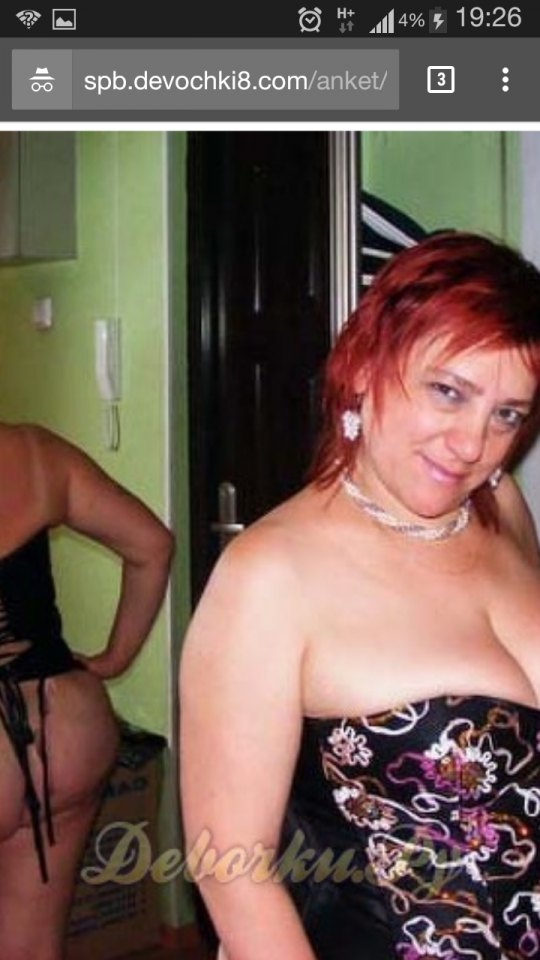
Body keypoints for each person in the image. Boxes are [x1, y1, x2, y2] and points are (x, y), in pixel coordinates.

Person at [179, 231, 540, 960]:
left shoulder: (501, 507)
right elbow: (232, 873)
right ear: (368, 366)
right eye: (448, 392)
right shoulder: (270, 575)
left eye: (506, 414)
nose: (472, 444)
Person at [0, 423, 174, 960]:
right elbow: (153, 545)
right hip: (67, 723)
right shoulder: (33, 451)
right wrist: (114, 658)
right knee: (33, 945)